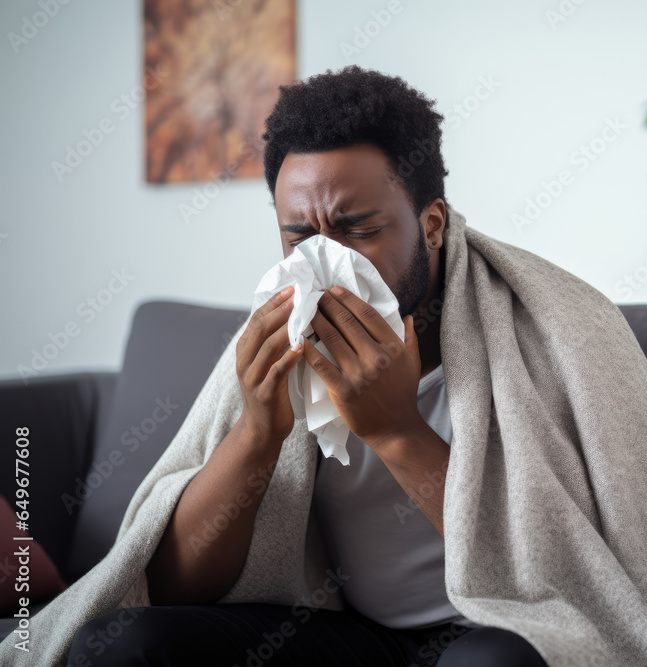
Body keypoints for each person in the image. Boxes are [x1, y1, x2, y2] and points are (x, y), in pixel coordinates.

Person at [67, 66, 549, 666]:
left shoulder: (534, 331)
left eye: (360, 230)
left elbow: (547, 570)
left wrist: (395, 430)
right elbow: (173, 590)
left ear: (431, 225)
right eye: (300, 238)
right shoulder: (284, 330)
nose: (327, 261)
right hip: (353, 635)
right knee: (122, 643)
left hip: (492, 629)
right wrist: (256, 434)